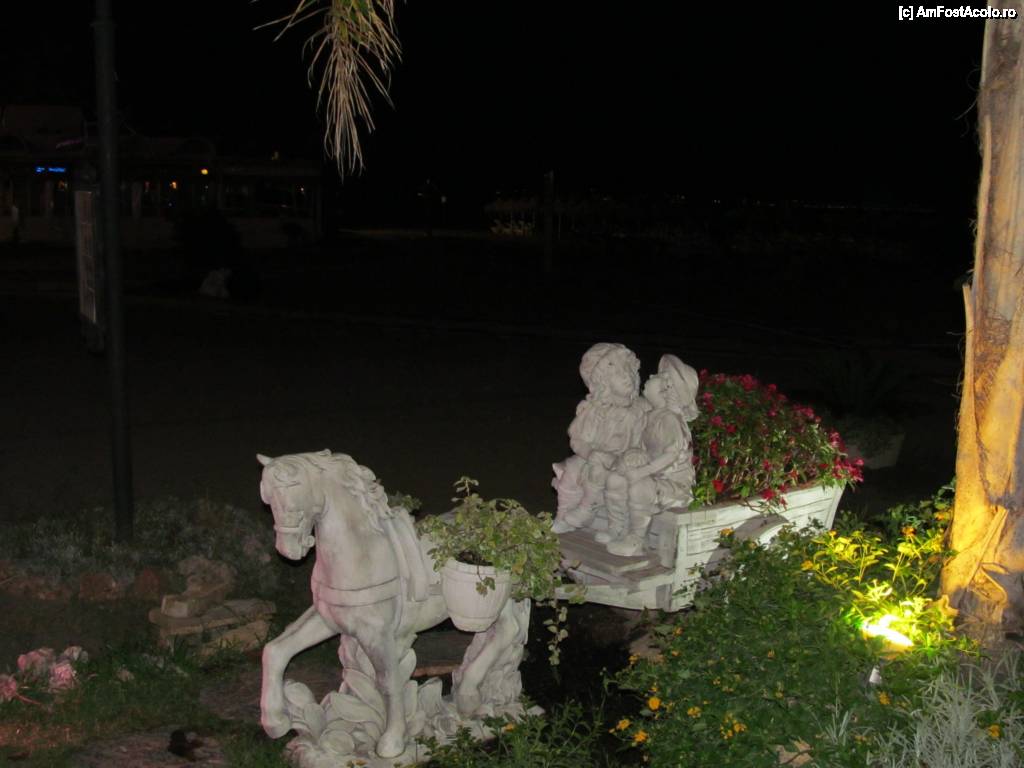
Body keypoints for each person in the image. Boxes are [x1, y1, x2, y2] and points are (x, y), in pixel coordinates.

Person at [600, 354, 699, 556]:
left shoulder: (670, 420)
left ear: (669, 391)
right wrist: (632, 457)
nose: (654, 376)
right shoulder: (650, 416)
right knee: (615, 479)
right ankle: (617, 528)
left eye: (663, 378)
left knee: (640, 486)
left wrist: (642, 471)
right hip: (653, 475)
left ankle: (636, 540)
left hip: (673, 485)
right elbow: (641, 447)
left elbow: (671, 455)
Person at [552, 343, 649, 533]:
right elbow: (578, 439)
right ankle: (563, 515)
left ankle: (587, 509)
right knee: (572, 467)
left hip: (623, 460)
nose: (626, 377)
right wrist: (589, 453)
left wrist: (634, 454)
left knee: (598, 469)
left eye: (628, 371)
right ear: (603, 382)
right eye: (618, 374)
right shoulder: (594, 409)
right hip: (596, 456)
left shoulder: (641, 409)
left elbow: (645, 441)